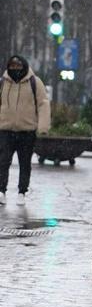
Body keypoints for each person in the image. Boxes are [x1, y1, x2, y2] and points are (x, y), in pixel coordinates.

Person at [0, 55, 50, 205]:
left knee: (25, 163)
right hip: (5, 130)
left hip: (26, 131)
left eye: (18, 66)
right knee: (3, 162)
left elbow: (43, 104)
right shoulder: (2, 83)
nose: (15, 69)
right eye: (12, 66)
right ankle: (1, 190)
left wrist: (42, 127)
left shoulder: (34, 82)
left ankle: (22, 191)